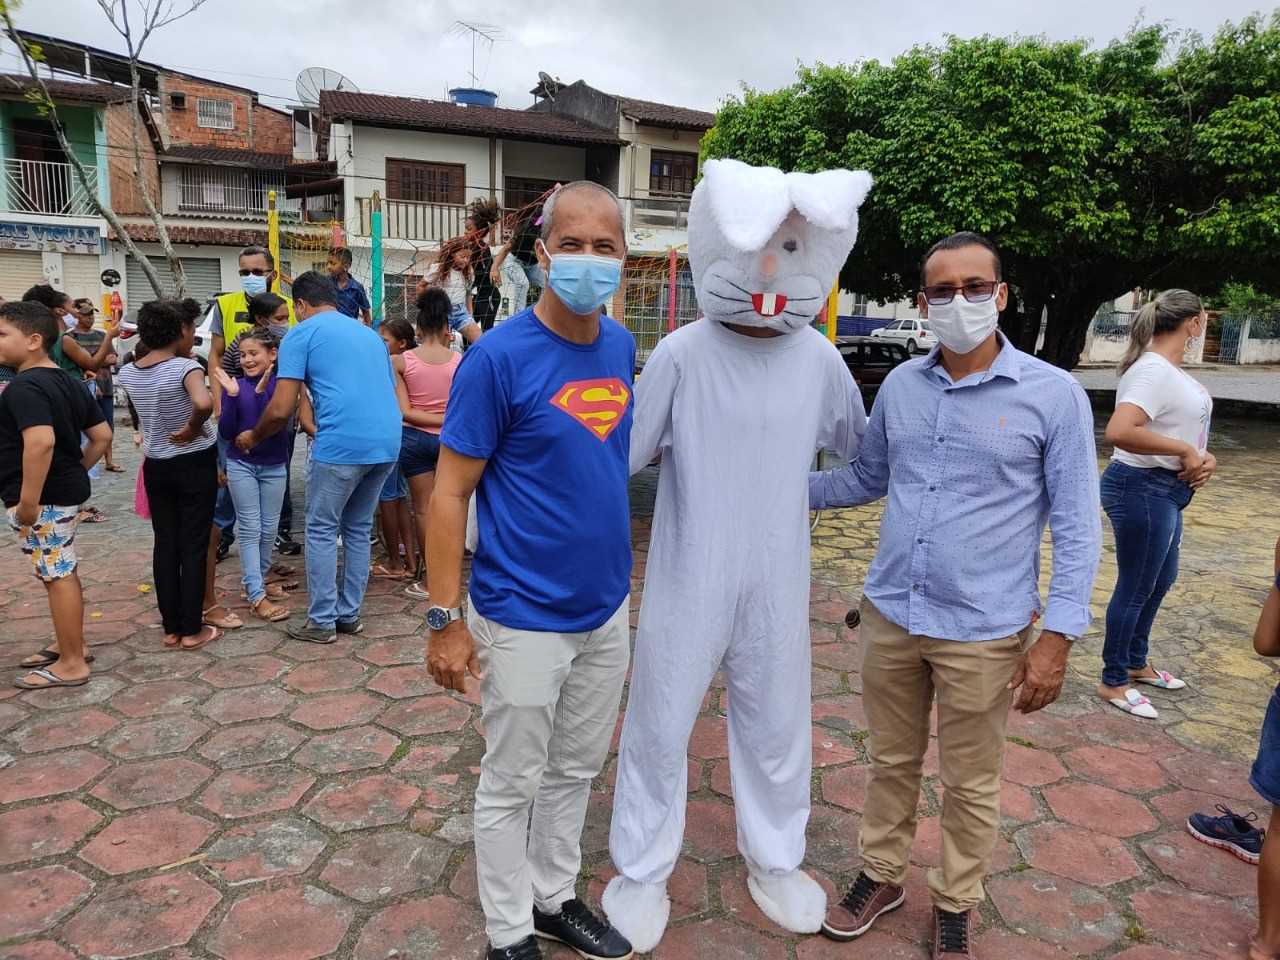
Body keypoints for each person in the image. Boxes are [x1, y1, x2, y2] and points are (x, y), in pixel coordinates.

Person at [808, 232, 1102, 959]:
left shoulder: (1053, 395)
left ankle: (955, 900)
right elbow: (864, 477)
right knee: (891, 761)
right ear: (922, 302)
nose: (960, 301)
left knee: (971, 781)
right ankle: (881, 874)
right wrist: (772, 487)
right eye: (942, 290)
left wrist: (1058, 637)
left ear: (1000, 296)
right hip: (892, 615)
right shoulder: (905, 385)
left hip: (983, 628)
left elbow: (1076, 525)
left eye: (975, 287)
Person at [604, 159, 872, 951]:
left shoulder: (820, 359)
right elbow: (619, 458)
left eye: (790, 251)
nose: (767, 273)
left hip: (779, 578)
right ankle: (641, 868)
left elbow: (861, 454)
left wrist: (803, 496)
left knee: (777, 721)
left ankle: (777, 859)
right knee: (659, 718)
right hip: (690, 569)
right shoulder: (683, 354)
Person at [425, 180, 635, 960]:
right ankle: (508, 931)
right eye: (571, 244)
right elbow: (449, 493)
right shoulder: (499, 359)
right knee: (512, 779)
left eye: (603, 246)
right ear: (541, 252)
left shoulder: (618, 345)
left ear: (624, 257)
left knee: (576, 770)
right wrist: (444, 621)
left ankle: (552, 898)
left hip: (606, 608)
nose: (587, 260)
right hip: (521, 614)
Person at [234, 271, 401, 645]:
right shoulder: (370, 336)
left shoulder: (302, 334)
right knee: (357, 529)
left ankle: (322, 621)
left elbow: (280, 408)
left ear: (302, 306)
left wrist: (252, 436)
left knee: (322, 529)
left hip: (341, 444)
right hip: (387, 442)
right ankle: (349, 615)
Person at [1098, 290, 1213, 719]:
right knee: (1136, 585)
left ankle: (1135, 661)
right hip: (1141, 487)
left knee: (1160, 580)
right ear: (1193, 323)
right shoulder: (1152, 371)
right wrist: (1184, 451)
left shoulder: (1169, 371)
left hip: (1165, 489)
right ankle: (1113, 680)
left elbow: (1182, 428)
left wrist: (1202, 455)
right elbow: (1121, 429)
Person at [0, 301, 110, 689]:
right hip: (62, 491)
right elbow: (102, 437)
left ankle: (72, 663)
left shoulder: (25, 387)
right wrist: (75, 470)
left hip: (41, 498)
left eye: (2, 335)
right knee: (62, 568)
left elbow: (41, 441)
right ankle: (71, 643)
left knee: (56, 574)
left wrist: (28, 500)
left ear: (33, 340)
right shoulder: (68, 380)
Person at [117, 299, 220, 651]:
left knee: (166, 544)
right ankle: (192, 629)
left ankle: (170, 627)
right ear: (180, 331)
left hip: (156, 465)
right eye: (191, 328)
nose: (194, 334)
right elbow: (204, 403)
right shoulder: (183, 368)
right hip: (192, 461)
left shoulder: (129, 371)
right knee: (193, 544)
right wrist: (193, 427)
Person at [210, 246, 301, 557]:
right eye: (244, 272)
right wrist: (221, 402)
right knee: (232, 469)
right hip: (239, 408)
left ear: (272, 274)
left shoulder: (291, 307)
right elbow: (218, 358)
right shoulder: (225, 305)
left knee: (279, 468)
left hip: (279, 410)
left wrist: (297, 408)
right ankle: (224, 532)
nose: (250, 277)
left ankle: (279, 530)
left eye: (257, 272)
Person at [215, 329, 292, 623]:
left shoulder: (282, 387)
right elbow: (227, 432)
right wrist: (233, 397)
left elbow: (277, 422)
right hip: (241, 465)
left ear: (272, 354)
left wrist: (262, 395)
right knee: (250, 528)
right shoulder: (235, 386)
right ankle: (257, 594)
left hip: (274, 466)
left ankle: (256, 581)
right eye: (243, 355)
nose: (247, 360)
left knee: (269, 530)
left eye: (253, 353)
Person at [395, 288, 460, 602]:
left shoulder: (401, 362)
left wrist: (428, 419)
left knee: (422, 510)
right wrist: (446, 421)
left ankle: (431, 579)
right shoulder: (460, 362)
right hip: (449, 442)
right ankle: (451, 575)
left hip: (413, 440)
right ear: (448, 328)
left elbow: (404, 412)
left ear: (417, 329)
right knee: (451, 505)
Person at [373, 317, 419, 583]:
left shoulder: (393, 364)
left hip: (393, 433)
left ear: (401, 343)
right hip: (412, 434)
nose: (380, 344)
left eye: (385, 340)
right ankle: (411, 561)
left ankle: (395, 561)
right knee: (401, 498)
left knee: (389, 499)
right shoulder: (420, 359)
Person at [67, 299, 123, 473]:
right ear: (78, 316)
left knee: (107, 423)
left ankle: (109, 460)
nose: (90, 317)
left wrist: (92, 361)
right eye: (86, 314)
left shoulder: (102, 335)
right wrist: (95, 361)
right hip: (83, 387)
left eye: (92, 314)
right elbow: (77, 362)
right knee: (82, 425)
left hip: (104, 385)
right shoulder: (70, 338)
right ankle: (83, 460)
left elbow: (113, 358)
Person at [491, 196, 549, 314]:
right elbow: (505, 249)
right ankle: (519, 315)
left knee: (547, 282)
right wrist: (494, 268)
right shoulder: (524, 234)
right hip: (514, 261)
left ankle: (542, 312)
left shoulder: (546, 234)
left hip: (532, 264)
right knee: (522, 283)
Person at [431, 238, 481, 345]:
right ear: (452, 254)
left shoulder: (468, 272)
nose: (466, 260)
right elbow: (421, 287)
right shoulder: (438, 269)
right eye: (462, 257)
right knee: (444, 348)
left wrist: (470, 315)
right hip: (441, 312)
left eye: (468, 257)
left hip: (460, 312)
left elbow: (468, 295)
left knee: (481, 340)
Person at [467, 198, 504, 331]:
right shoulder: (470, 247)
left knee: (486, 331)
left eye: (468, 229)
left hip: (489, 297)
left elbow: (479, 275)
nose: (465, 232)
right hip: (478, 296)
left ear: (479, 231)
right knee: (467, 328)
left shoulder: (480, 247)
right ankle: (468, 349)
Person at [327, 247, 372, 324]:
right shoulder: (326, 282)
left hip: (349, 329)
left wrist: (369, 329)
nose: (328, 267)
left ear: (346, 266)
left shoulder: (357, 288)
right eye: (327, 263)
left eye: (333, 263)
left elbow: (366, 313)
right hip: (329, 327)